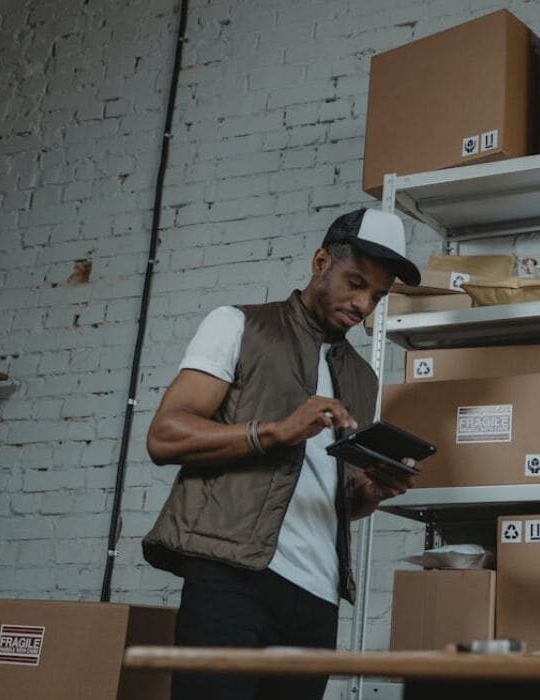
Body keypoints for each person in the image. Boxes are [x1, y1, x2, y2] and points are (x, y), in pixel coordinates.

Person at [142, 207, 422, 699]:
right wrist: (274, 431)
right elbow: (165, 435)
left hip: (316, 600)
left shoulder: (363, 378)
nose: (363, 306)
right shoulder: (238, 325)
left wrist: (368, 494)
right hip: (231, 580)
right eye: (355, 283)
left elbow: (330, 498)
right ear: (320, 262)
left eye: (376, 296)